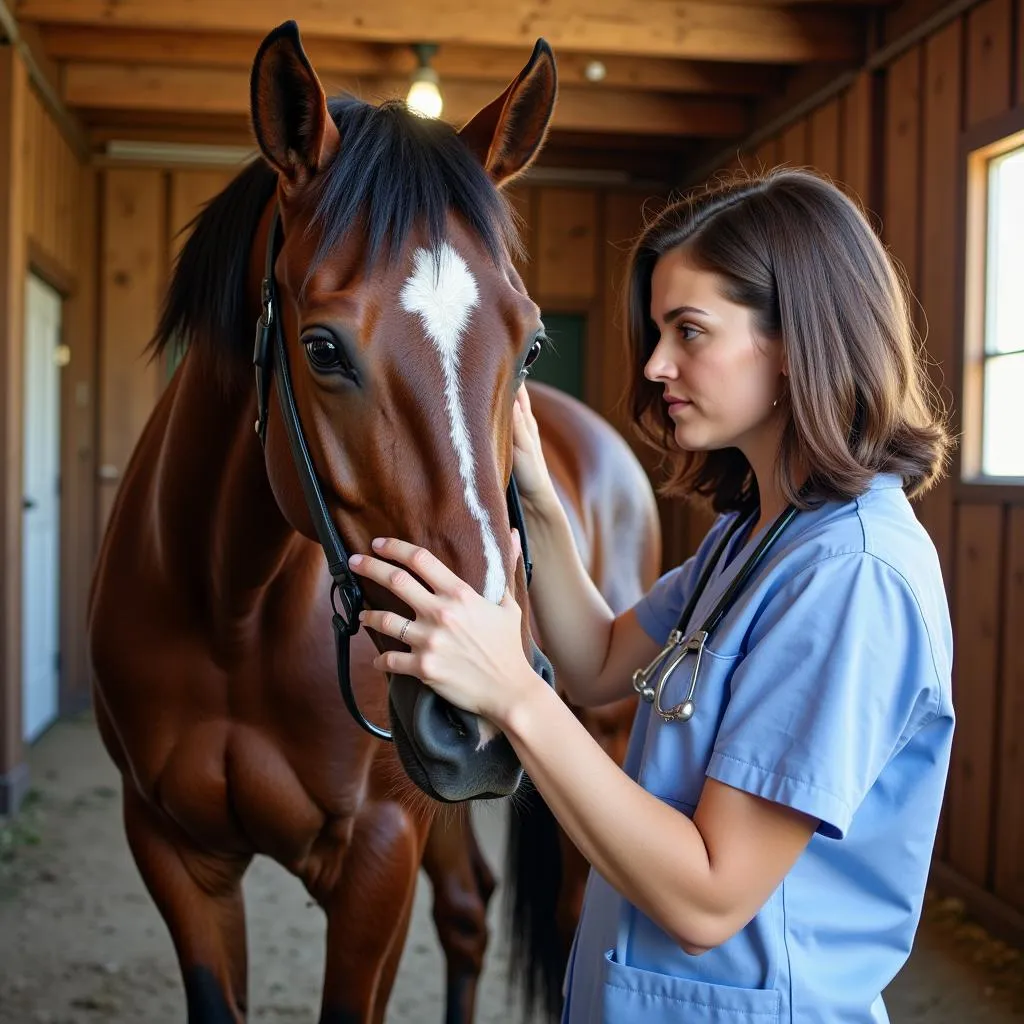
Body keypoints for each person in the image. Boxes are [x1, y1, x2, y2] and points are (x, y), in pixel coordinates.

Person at [347, 168, 956, 1023]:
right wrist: (539, 502)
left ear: (798, 342)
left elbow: (709, 898)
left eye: (689, 331)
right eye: (658, 329)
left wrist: (514, 693)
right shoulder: (754, 537)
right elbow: (597, 664)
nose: (656, 364)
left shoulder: (853, 578)